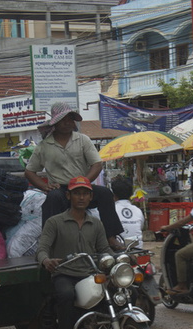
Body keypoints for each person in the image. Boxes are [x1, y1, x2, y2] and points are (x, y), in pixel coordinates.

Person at [36, 176, 114, 329]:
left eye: (85, 193)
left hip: (90, 274)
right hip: (65, 274)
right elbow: (42, 248)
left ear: (91, 197)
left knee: (116, 293)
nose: (81, 197)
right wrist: (46, 260)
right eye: (77, 193)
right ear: (68, 196)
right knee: (66, 295)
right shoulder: (55, 222)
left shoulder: (96, 224)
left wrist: (119, 259)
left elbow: (104, 249)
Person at [25, 102, 124, 250]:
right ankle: (48, 244)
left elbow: (97, 164)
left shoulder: (83, 140)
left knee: (105, 193)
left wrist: (84, 182)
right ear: (55, 123)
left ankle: (111, 238)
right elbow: (29, 172)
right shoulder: (44, 146)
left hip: (82, 186)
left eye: (70, 119)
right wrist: (45, 186)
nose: (68, 123)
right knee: (52, 198)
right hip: (61, 189)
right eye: (63, 120)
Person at [111, 177, 144, 249]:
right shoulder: (137, 210)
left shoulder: (111, 210)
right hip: (138, 249)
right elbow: (140, 227)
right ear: (131, 194)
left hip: (120, 250)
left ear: (114, 194)